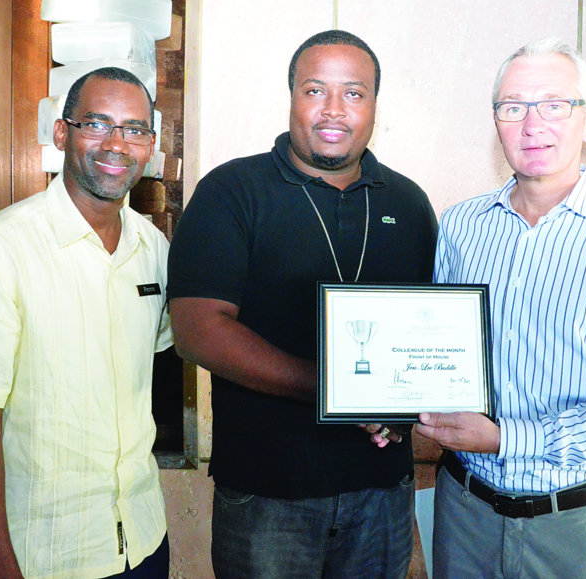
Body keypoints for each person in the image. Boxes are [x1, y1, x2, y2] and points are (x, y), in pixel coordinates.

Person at [386, 38, 586, 578]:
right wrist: (392, 405)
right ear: (496, 121)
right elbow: (434, 351)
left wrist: (508, 438)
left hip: (573, 526)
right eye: (513, 107)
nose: (531, 123)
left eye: (554, 104)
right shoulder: (461, 225)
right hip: (463, 512)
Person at [167, 30, 437, 578]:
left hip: (382, 491)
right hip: (269, 495)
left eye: (354, 93)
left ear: (374, 107)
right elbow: (197, 330)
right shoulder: (232, 191)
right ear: (291, 96)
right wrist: (334, 387)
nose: (333, 110)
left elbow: (428, 331)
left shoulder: (409, 203)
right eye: (315, 90)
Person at [0, 67, 173, 578]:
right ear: (62, 133)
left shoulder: (154, 250)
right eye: (97, 124)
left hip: (143, 541)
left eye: (134, 129)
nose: (116, 144)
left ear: (150, 145)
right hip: (42, 555)